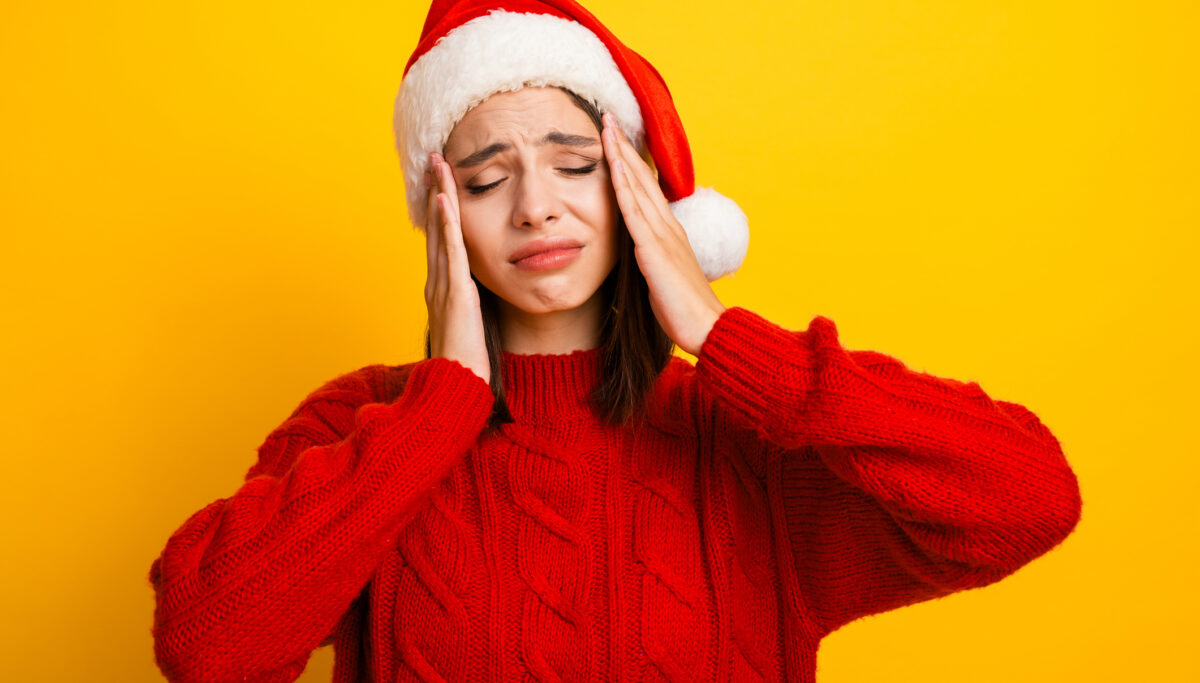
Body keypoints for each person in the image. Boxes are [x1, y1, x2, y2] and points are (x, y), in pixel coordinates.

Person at [147, 1, 1083, 681]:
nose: (536, 205)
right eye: (483, 180)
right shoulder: (364, 427)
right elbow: (204, 643)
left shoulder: (749, 447)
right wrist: (439, 409)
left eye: (573, 164)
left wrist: (725, 340)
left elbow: (1030, 497)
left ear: (638, 190)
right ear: (441, 220)